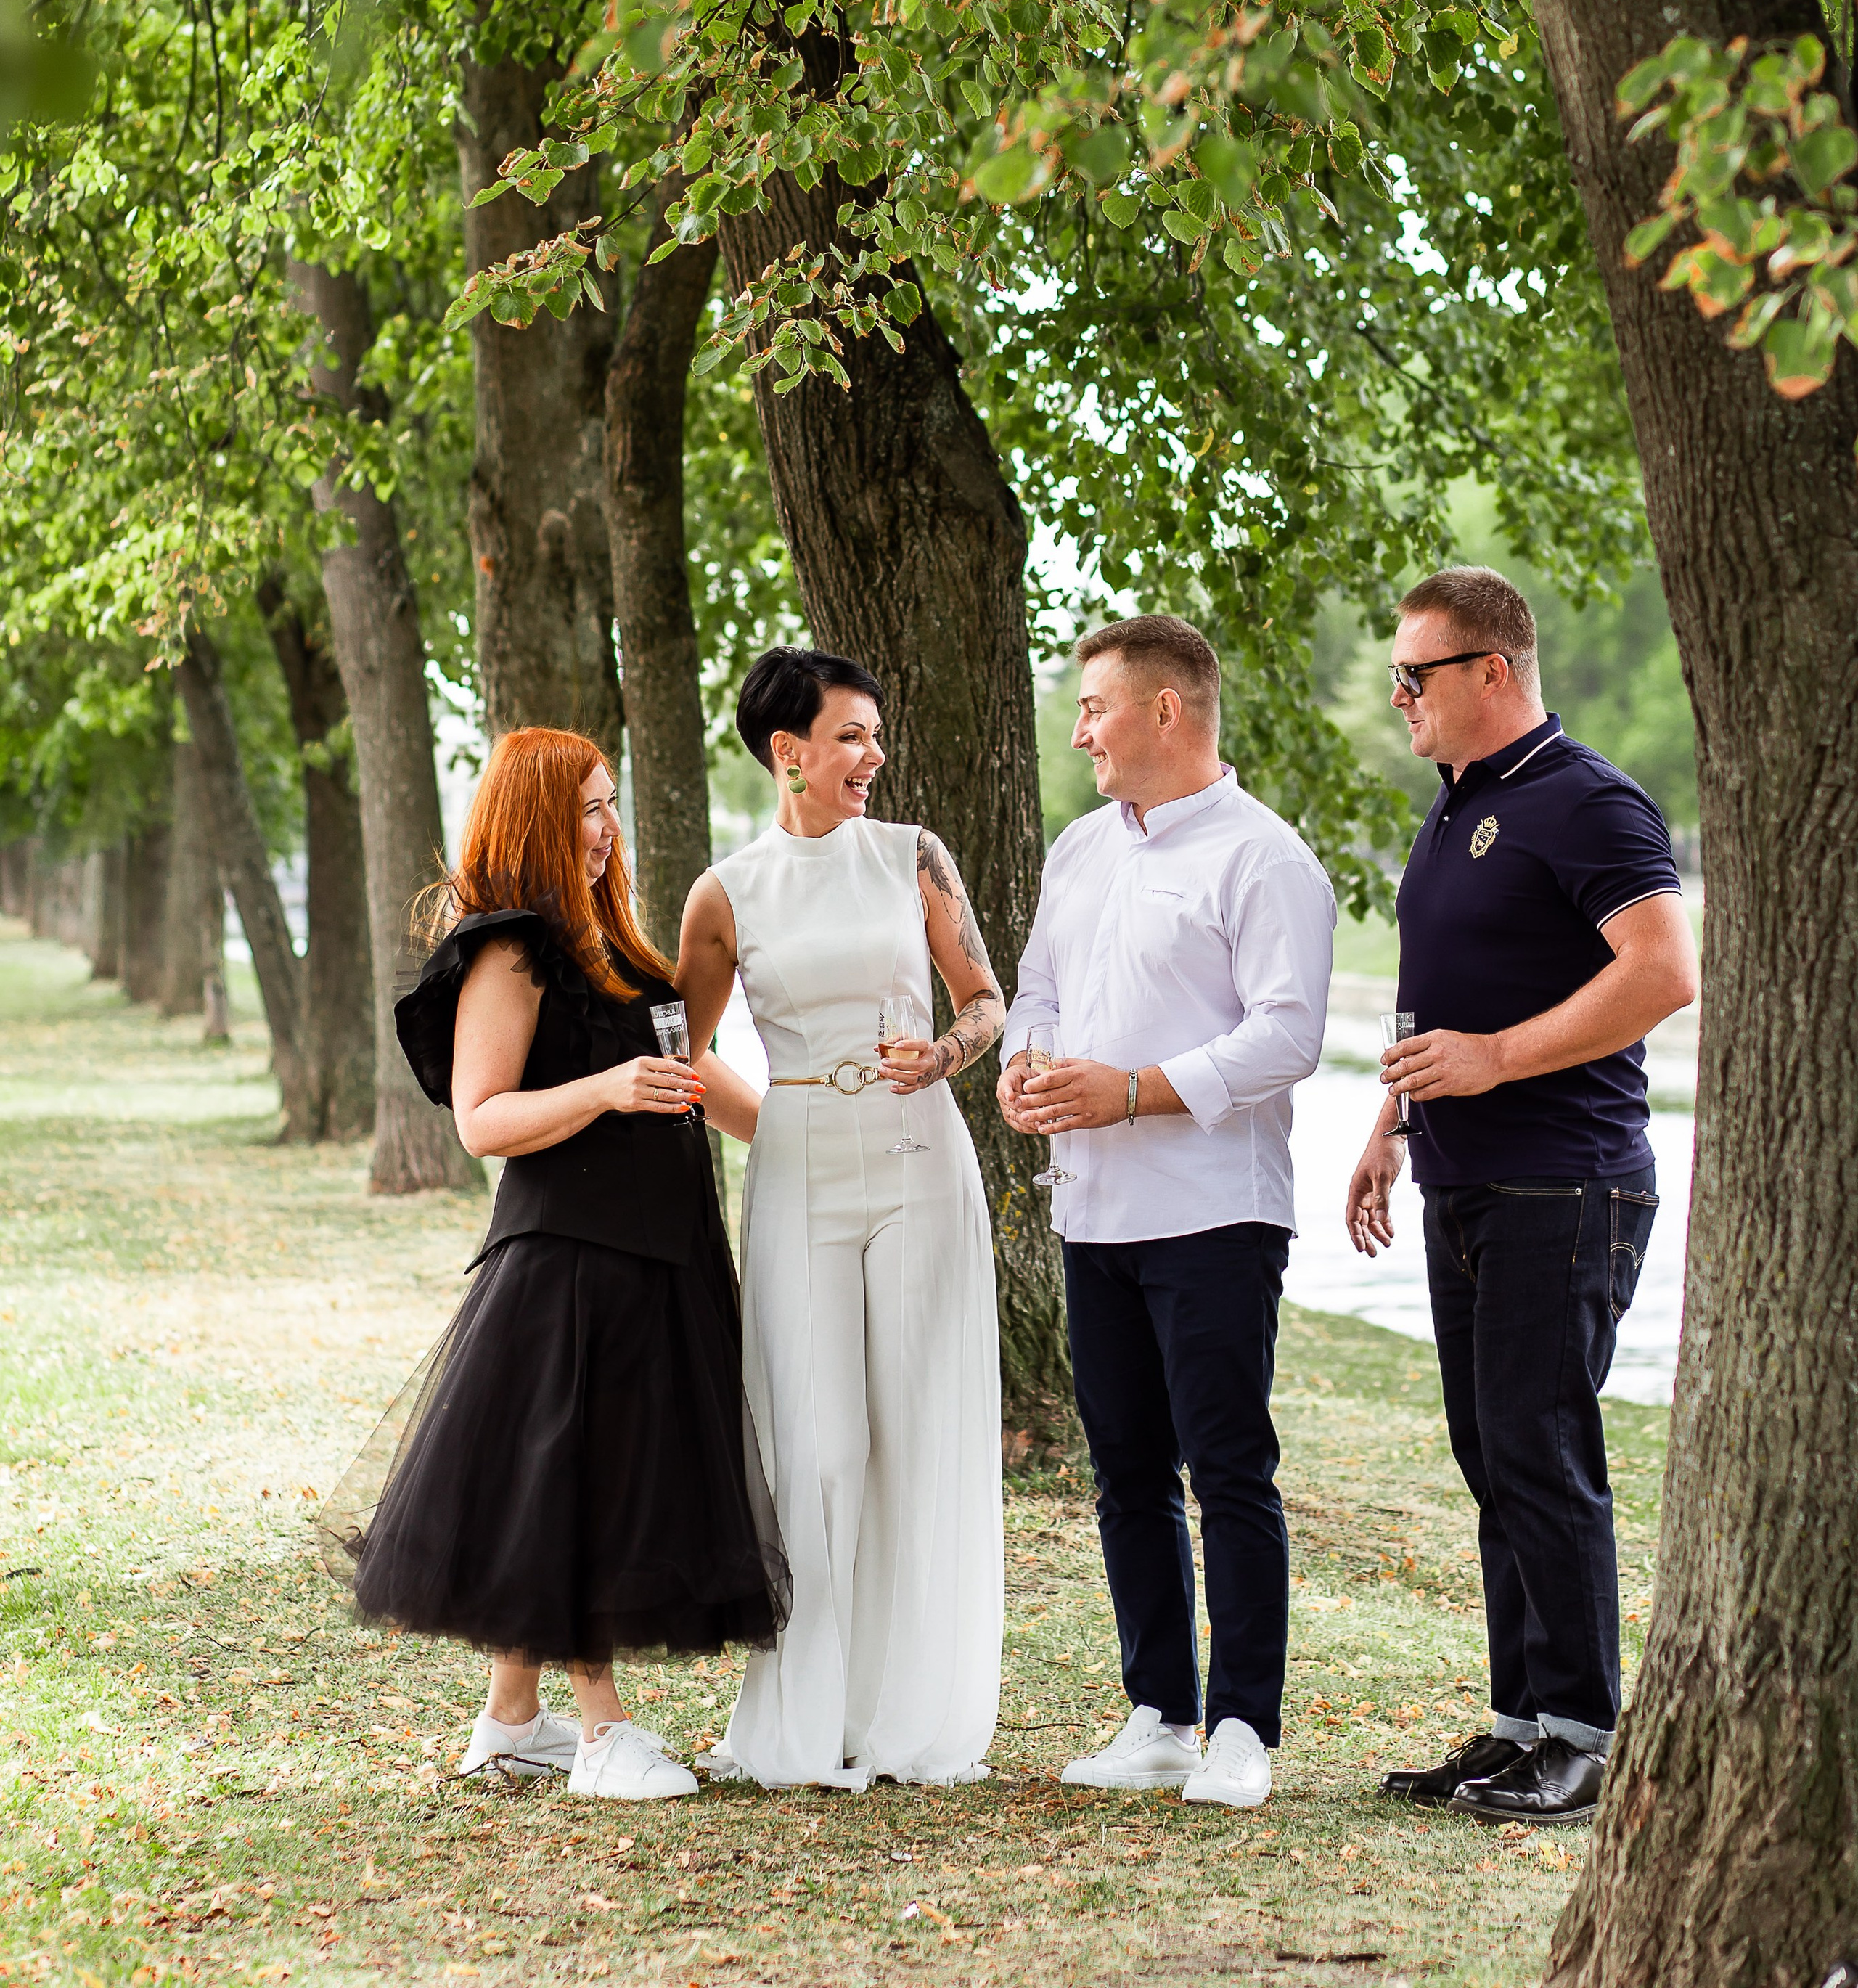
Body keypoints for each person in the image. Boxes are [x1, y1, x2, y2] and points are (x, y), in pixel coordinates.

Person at [317, 727, 785, 1804]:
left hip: (658, 1248)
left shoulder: (614, 945)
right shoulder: (509, 948)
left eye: (610, 801)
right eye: (586, 807)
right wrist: (609, 1090)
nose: (606, 826)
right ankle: (603, 1730)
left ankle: (512, 1718)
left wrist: (816, 1140)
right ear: (533, 815)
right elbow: (483, 1117)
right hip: (573, 1258)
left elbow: (693, 1072)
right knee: (583, 1490)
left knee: (562, 1489)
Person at [1346, 568, 1698, 1828]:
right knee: (1492, 1450)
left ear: (1493, 670)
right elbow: (1436, 989)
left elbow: (1662, 971)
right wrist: (1391, 1121)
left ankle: (1589, 1737)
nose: (1401, 696)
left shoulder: (1587, 799)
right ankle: (1518, 1724)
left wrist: (1494, 1059)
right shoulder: (1452, 809)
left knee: (1543, 1450)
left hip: (1570, 1175)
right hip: (1463, 1175)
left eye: (1417, 674)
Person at [999, 615, 1333, 1810]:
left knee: (1229, 1467)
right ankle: (1158, 1709)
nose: (1079, 727)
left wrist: (1136, 1090)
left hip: (1212, 1212)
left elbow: (1289, 1032)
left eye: (1094, 706)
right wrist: (1024, 1066)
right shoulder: (1082, 847)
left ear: (1164, 711)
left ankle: (1244, 1724)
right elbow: (1036, 986)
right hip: (1095, 1211)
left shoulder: (1266, 858)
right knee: (1126, 1471)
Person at [674, 647, 1004, 1789]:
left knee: (910, 1431)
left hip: (920, 1155)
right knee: (820, 1446)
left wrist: (948, 1053)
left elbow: (986, 998)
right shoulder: (725, 894)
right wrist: (784, 1129)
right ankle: (801, 1716)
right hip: (801, 1162)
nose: (874, 756)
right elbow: (686, 1050)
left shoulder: (914, 857)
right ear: (789, 753)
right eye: (853, 736)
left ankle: (904, 1716)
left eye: (876, 735)